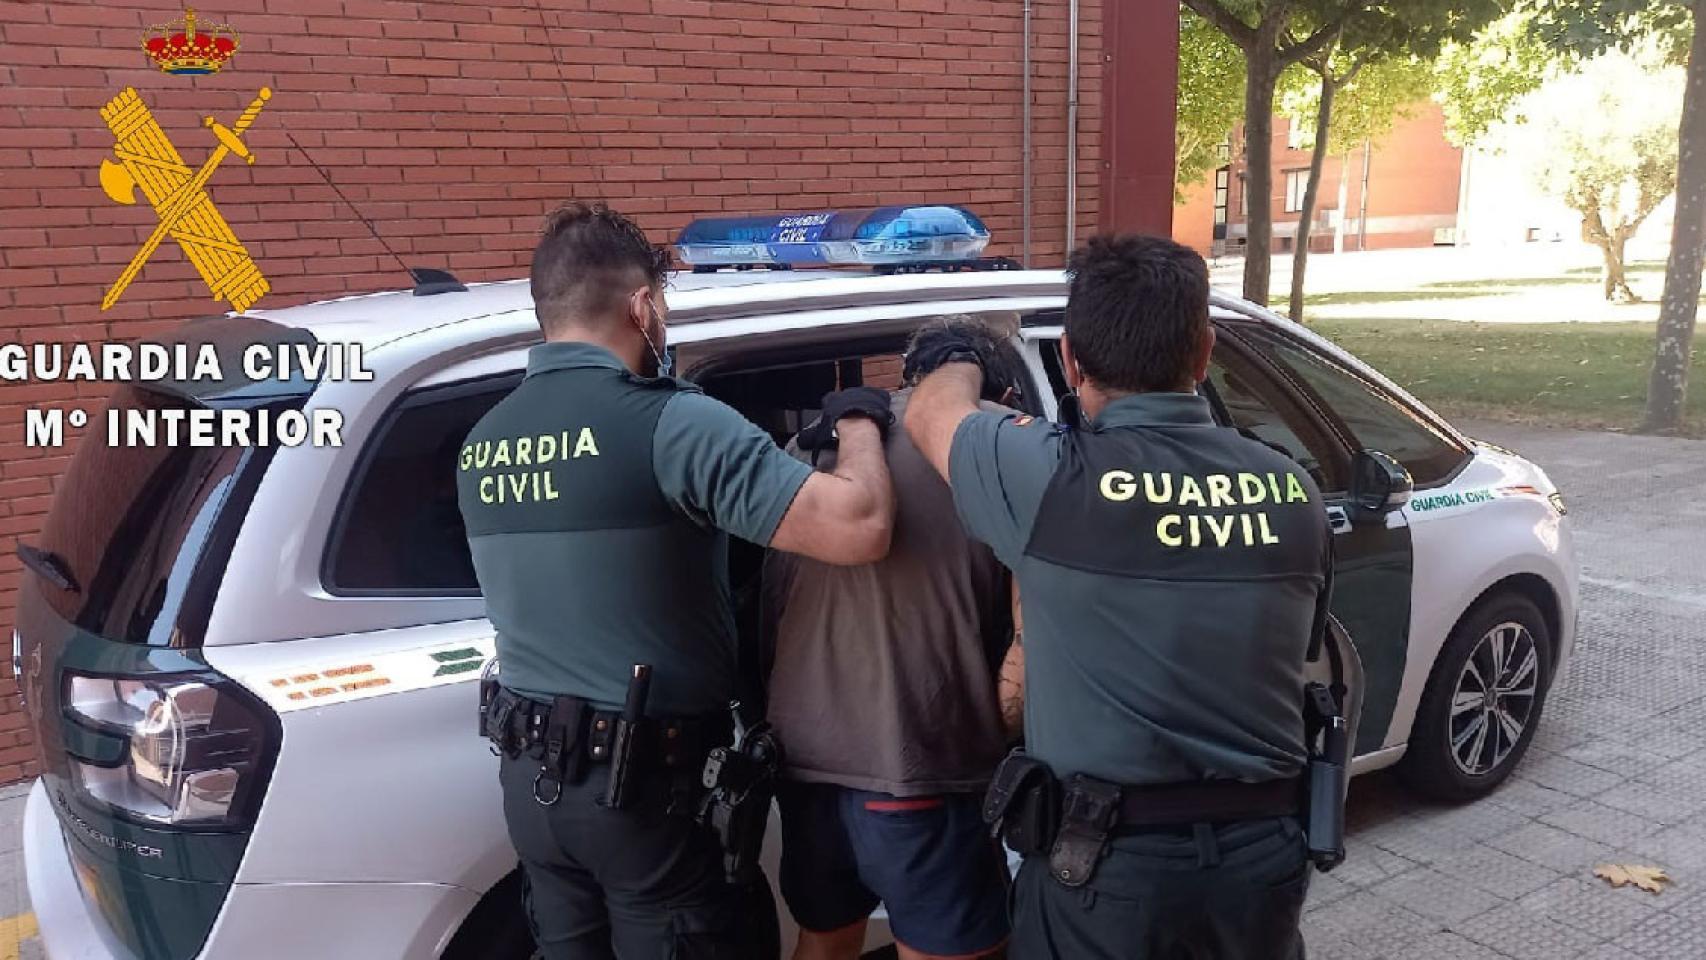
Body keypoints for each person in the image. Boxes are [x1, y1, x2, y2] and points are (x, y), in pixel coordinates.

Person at [456, 201, 896, 960]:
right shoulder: (673, 424)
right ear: (643, 306)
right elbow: (858, 527)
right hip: (645, 795)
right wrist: (860, 421)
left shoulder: (482, 441)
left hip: (533, 789)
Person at [904, 234, 1333, 960]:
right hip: (1262, 865)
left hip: (1107, 874)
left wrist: (962, 350)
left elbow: (929, 414)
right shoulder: (1294, 489)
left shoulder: (1050, 479)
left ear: (1070, 360)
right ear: (1204, 353)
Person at [763, 318, 1027, 960]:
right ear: (1000, 390)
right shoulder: (1001, 446)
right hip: (916, 762)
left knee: (824, 941)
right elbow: (1037, 636)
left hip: (806, 763)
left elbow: (768, 610)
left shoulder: (814, 442)